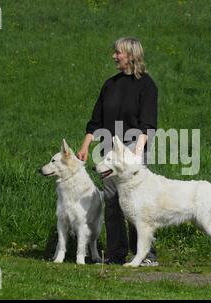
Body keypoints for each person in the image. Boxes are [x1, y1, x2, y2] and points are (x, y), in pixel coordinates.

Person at [77, 37, 159, 266]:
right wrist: (85, 146)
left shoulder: (147, 85)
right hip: (109, 157)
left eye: (118, 53)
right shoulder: (109, 85)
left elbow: (148, 124)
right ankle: (115, 254)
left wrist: (137, 152)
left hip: (133, 156)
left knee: (138, 206)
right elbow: (95, 121)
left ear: (131, 55)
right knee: (112, 203)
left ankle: (145, 255)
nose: (114, 56)